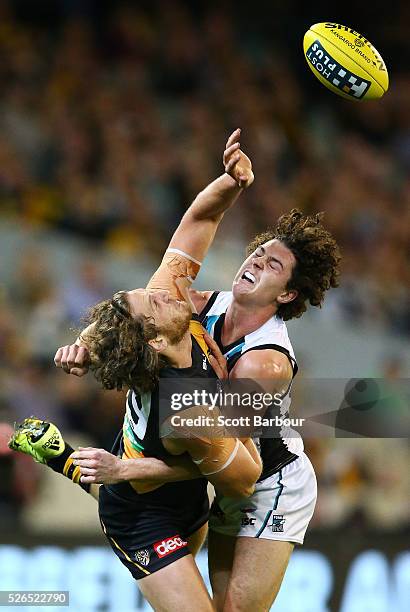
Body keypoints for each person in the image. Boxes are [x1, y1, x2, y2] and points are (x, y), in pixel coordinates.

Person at [12, 129, 342, 610]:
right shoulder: (188, 312)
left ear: (288, 294)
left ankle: (77, 464)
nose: (255, 262)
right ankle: (76, 465)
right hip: (201, 467)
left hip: (269, 479)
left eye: (272, 265)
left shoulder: (262, 362)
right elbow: (193, 226)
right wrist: (231, 182)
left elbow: (239, 471)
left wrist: (124, 469)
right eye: (257, 252)